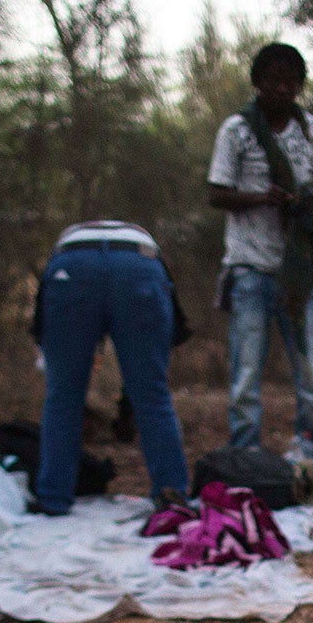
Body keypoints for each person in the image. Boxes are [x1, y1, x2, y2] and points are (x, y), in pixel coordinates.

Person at [207, 43, 313, 462]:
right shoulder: (237, 130)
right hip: (250, 267)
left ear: (300, 86)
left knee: (312, 373)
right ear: (258, 83)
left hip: (298, 270)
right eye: (273, 81)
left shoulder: (312, 131)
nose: (282, 90)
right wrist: (260, 199)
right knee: (247, 373)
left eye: (290, 82)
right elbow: (216, 193)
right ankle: (245, 454)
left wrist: (305, 202)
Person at [31, 219, 189, 515]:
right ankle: (172, 495)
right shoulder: (140, 238)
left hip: (72, 263)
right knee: (153, 396)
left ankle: (53, 498)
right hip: (139, 262)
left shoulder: (69, 240)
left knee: (63, 395)